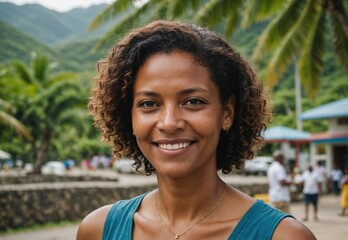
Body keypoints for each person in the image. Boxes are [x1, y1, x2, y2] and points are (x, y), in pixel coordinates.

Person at [76, 20, 315, 240]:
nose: (169, 123)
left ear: (227, 113)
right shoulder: (98, 230)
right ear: (128, 116)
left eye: (193, 101)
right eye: (149, 104)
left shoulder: (283, 236)